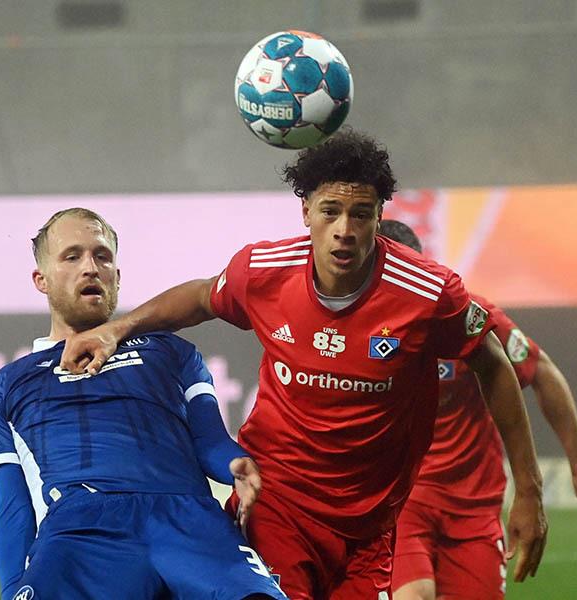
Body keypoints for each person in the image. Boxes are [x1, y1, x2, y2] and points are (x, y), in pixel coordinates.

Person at [60, 130, 548, 600]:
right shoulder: (265, 271)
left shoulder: (427, 292)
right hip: (277, 505)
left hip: (371, 527)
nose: (345, 230)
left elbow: (494, 365)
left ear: (380, 217)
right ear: (306, 212)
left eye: (361, 214)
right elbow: (200, 297)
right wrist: (115, 328)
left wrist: (528, 491)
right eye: (331, 212)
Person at [0, 208, 287, 600]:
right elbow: (14, 508)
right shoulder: (5, 386)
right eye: (72, 256)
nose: (91, 268)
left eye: (102, 256)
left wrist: (234, 465)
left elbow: (209, 442)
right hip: (83, 531)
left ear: (117, 278)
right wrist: (11, 590)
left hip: (188, 523)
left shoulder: (171, 353)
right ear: (42, 280)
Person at [378, 219, 577, 600]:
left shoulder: (466, 316)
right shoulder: (358, 329)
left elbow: (542, 372)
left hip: (474, 504)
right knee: (412, 594)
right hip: (402, 500)